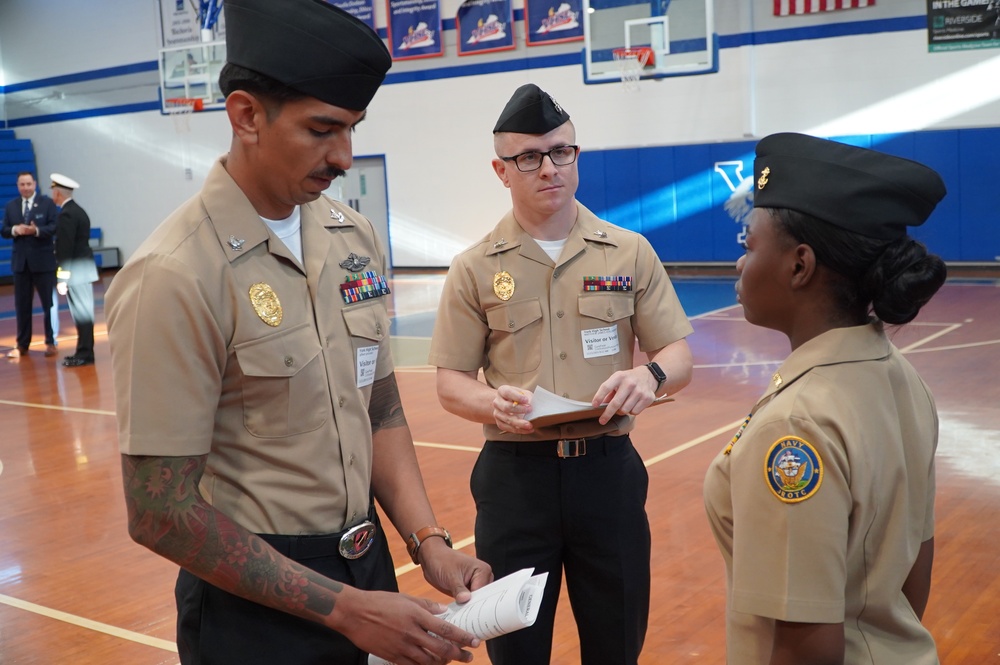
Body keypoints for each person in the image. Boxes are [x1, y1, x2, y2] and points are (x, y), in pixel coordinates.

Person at [105, 1, 491, 663]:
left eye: (352, 129)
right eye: (322, 129)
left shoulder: (352, 237)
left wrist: (427, 540)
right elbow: (159, 511)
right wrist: (345, 609)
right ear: (246, 115)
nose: (344, 156)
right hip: (254, 608)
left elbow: (379, 405)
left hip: (366, 574)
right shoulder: (175, 273)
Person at [428, 83, 694, 665]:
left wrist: (649, 375)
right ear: (501, 170)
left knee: (616, 641)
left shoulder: (629, 252)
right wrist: (489, 403)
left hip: (608, 475)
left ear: (577, 156)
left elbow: (678, 354)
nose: (549, 168)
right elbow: (450, 381)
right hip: (515, 482)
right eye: (529, 157)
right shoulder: (474, 268)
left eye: (562, 152)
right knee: (517, 651)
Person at [704, 132, 947, 665]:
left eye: (749, 246)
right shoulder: (903, 378)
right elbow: (914, 572)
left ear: (799, 265)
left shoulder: (796, 424)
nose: (739, 264)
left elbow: (803, 643)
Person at [1, 171, 59, 358]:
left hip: (43, 263)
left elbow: (54, 227)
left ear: (35, 184)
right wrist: (15, 230)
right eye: (22, 184)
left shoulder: (47, 203)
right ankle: (22, 344)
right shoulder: (11, 206)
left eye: (28, 184)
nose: (25, 187)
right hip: (21, 265)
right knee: (22, 305)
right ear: (17, 186)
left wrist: (36, 230)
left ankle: (51, 342)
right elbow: (4, 230)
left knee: (48, 305)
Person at [50, 173, 98, 367]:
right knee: (83, 313)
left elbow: (66, 248)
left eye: (53, 190)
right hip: (82, 270)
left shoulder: (67, 213)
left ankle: (85, 353)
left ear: (58, 193)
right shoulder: (77, 210)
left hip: (76, 271)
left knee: (82, 314)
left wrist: (62, 277)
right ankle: (83, 351)